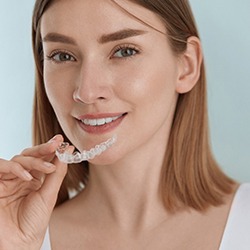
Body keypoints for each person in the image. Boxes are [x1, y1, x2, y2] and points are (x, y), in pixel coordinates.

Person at [0, 0, 249, 249]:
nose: (86, 91)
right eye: (62, 56)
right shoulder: (20, 235)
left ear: (186, 66)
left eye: (124, 51)